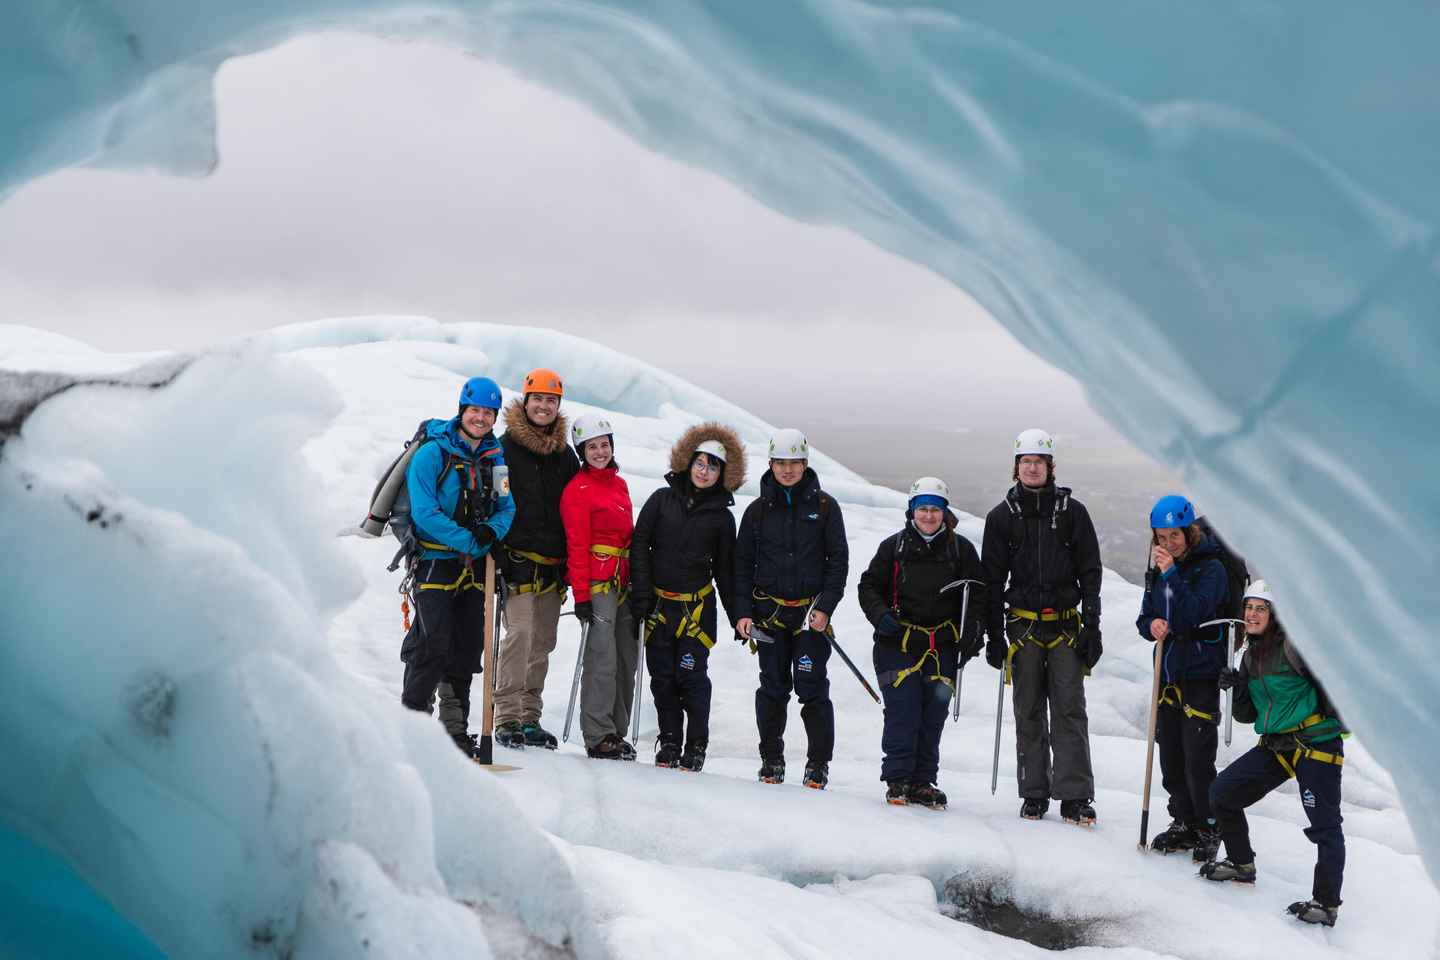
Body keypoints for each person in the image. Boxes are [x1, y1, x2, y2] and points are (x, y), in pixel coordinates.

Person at [1201, 580, 1347, 927]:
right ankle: (1241, 864)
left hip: (1316, 742)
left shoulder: (1296, 647)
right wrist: (1236, 688)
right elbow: (1246, 715)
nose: (1251, 615)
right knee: (1223, 793)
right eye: (1248, 607)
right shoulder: (1250, 656)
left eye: (1260, 609)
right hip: (1278, 744)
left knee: (1325, 825)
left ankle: (1326, 903)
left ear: (1275, 615)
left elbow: (1335, 682)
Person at [981, 429, 1104, 825]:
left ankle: (1075, 796)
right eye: (1025, 461)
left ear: (1050, 467)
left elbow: (1090, 571)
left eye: (1038, 461)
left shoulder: (1072, 513)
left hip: (1065, 625)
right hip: (1023, 628)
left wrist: (1092, 626)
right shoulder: (1001, 518)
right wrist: (993, 635)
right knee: (1029, 710)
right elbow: (991, 580)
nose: (1032, 468)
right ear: (1016, 467)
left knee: (1070, 710)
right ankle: (1034, 793)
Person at [399, 376, 515, 759]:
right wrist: (471, 540)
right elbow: (424, 512)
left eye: (488, 412)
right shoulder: (432, 455)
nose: (481, 418)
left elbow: (507, 507)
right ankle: (414, 726)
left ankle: (454, 730)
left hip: (476, 568)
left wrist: (492, 530)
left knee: (466, 648)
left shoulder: (495, 460)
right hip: (435, 562)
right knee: (432, 644)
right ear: (462, 410)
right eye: (475, 410)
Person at [857, 477, 985, 809]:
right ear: (912, 510)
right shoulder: (894, 548)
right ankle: (898, 779)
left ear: (945, 512)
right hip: (897, 644)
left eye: (935, 509)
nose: (928, 516)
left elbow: (978, 596)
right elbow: (868, 586)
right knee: (904, 710)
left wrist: (972, 633)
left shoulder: (961, 550)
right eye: (922, 509)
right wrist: (880, 616)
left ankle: (922, 781)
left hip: (942, 646)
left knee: (933, 714)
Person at [734, 428, 848, 789]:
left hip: (810, 617)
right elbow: (741, 566)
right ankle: (771, 760)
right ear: (770, 464)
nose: (787, 470)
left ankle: (818, 765)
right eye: (781, 463)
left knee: (812, 688)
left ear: (805, 463)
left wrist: (826, 607)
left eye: (794, 463)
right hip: (769, 616)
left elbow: (838, 562)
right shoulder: (756, 512)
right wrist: (743, 612)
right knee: (772, 687)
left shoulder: (826, 508)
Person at [629, 423, 745, 772]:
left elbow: (726, 571)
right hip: (658, 608)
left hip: (696, 611)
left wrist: (738, 615)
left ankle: (696, 744)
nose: (704, 471)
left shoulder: (723, 519)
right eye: (700, 463)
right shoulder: (660, 500)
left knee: (691, 678)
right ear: (689, 462)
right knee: (662, 678)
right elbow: (640, 546)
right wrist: (641, 595)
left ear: (722, 474)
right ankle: (669, 741)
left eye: (713, 467)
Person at [1136, 493, 1228, 860]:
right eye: (1162, 536)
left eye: (1174, 535)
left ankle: (1209, 825)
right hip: (1169, 671)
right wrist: (1152, 625)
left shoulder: (1212, 569)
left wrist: (1171, 573)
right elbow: (1146, 615)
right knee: (1171, 755)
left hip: (1200, 671)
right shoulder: (1158, 569)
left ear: (1189, 532)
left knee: (1197, 758)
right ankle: (1184, 820)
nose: (1168, 542)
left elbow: (1192, 615)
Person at [492, 368, 581, 751]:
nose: (544, 406)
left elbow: (573, 511)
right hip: (516, 562)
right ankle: (507, 716)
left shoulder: (565, 455)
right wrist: (498, 555)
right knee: (520, 636)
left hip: (552, 567)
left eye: (551, 400)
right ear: (526, 401)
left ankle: (529, 717)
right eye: (538, 399)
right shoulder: (504, 448)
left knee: (543, 642)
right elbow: (494, 505)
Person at [560, 414, 638, 760]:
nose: (600, 452)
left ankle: (616, 731)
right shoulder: (577, 491)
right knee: (602, 658)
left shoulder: (620, 486)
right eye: (592, 447)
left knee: (626, 657)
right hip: (597, 583)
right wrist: (581, 596)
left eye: (604, 445)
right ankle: (597, 733)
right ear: (582, 452)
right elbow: (576, 546)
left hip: (622, 581)